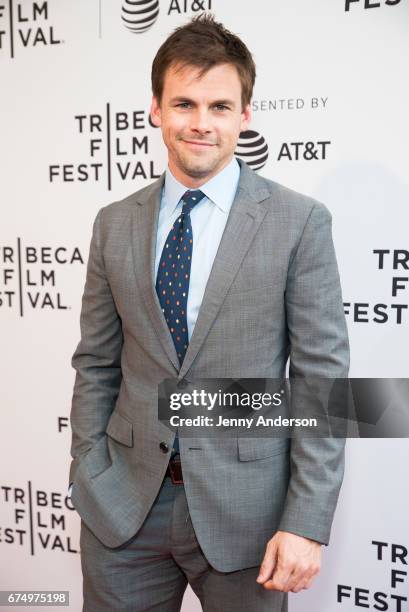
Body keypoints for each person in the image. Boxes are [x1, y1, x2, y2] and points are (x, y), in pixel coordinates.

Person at [69, 13, 350, 612]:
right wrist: (88, 471)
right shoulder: (114, 223)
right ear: (156, 109)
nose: (201, 124)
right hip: (123, 508)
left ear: (245, 116)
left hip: (249, 517)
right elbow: (96, 363)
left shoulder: (298, 222)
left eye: (220, 106)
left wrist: (305, 520)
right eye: (185, 104)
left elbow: (321, 383)